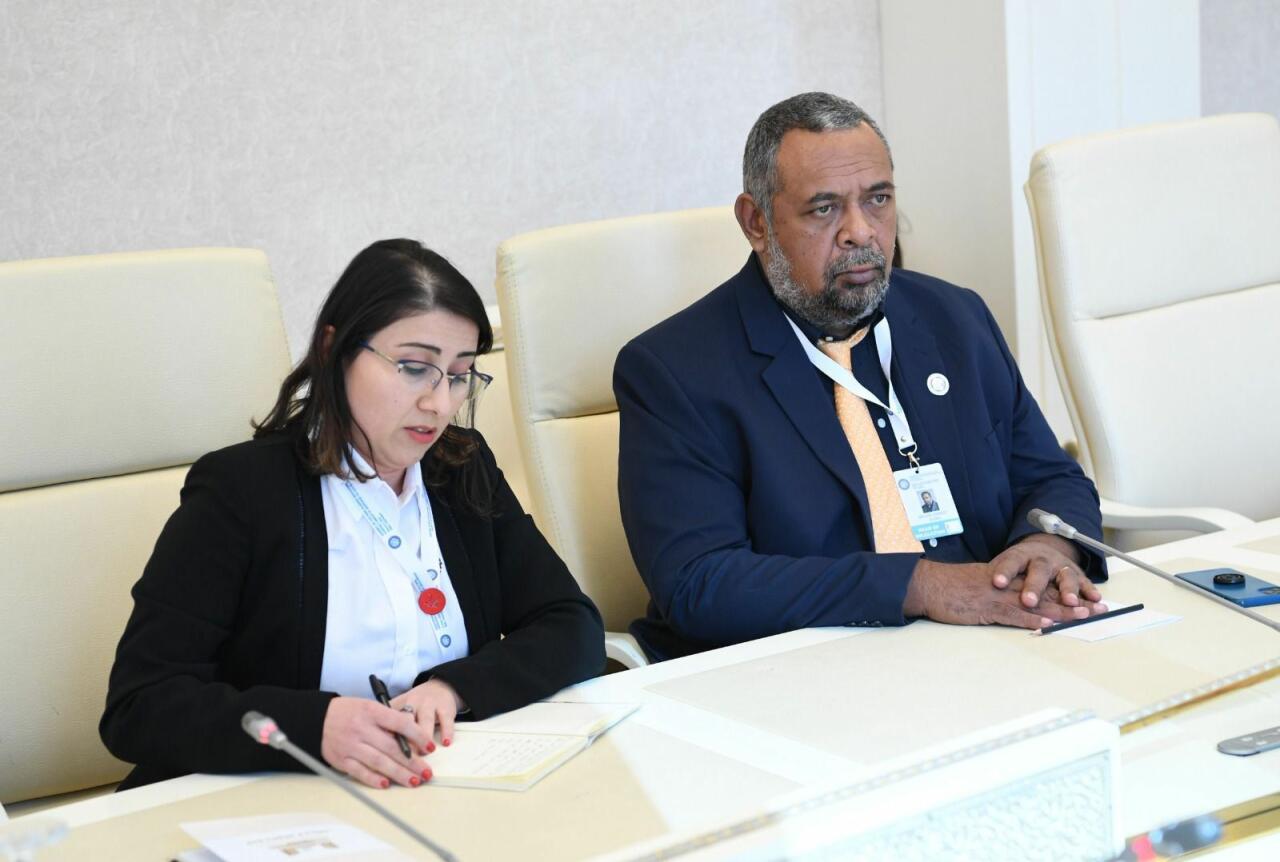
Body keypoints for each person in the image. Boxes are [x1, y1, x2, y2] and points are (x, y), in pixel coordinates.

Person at [615, 93, 1107, 662]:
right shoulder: (674, 370)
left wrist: (1047, 550)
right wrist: (921, 586)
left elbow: (1052, 477)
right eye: (824, 209)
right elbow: (700, 583)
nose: (861, 232)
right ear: (756, 222)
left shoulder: (955, 317)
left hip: (998, 644)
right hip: (804, 669)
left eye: (878, 199)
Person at [101, 239, 605, 789]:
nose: (439, 404)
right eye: (414, 367)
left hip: (436, 786)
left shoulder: (461, 468)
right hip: (271, 800)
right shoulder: (242, 491)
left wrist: (454, 688)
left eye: (459, 374)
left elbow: (571, 625)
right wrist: (313, 726)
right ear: (334, 349)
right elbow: (141, 705)